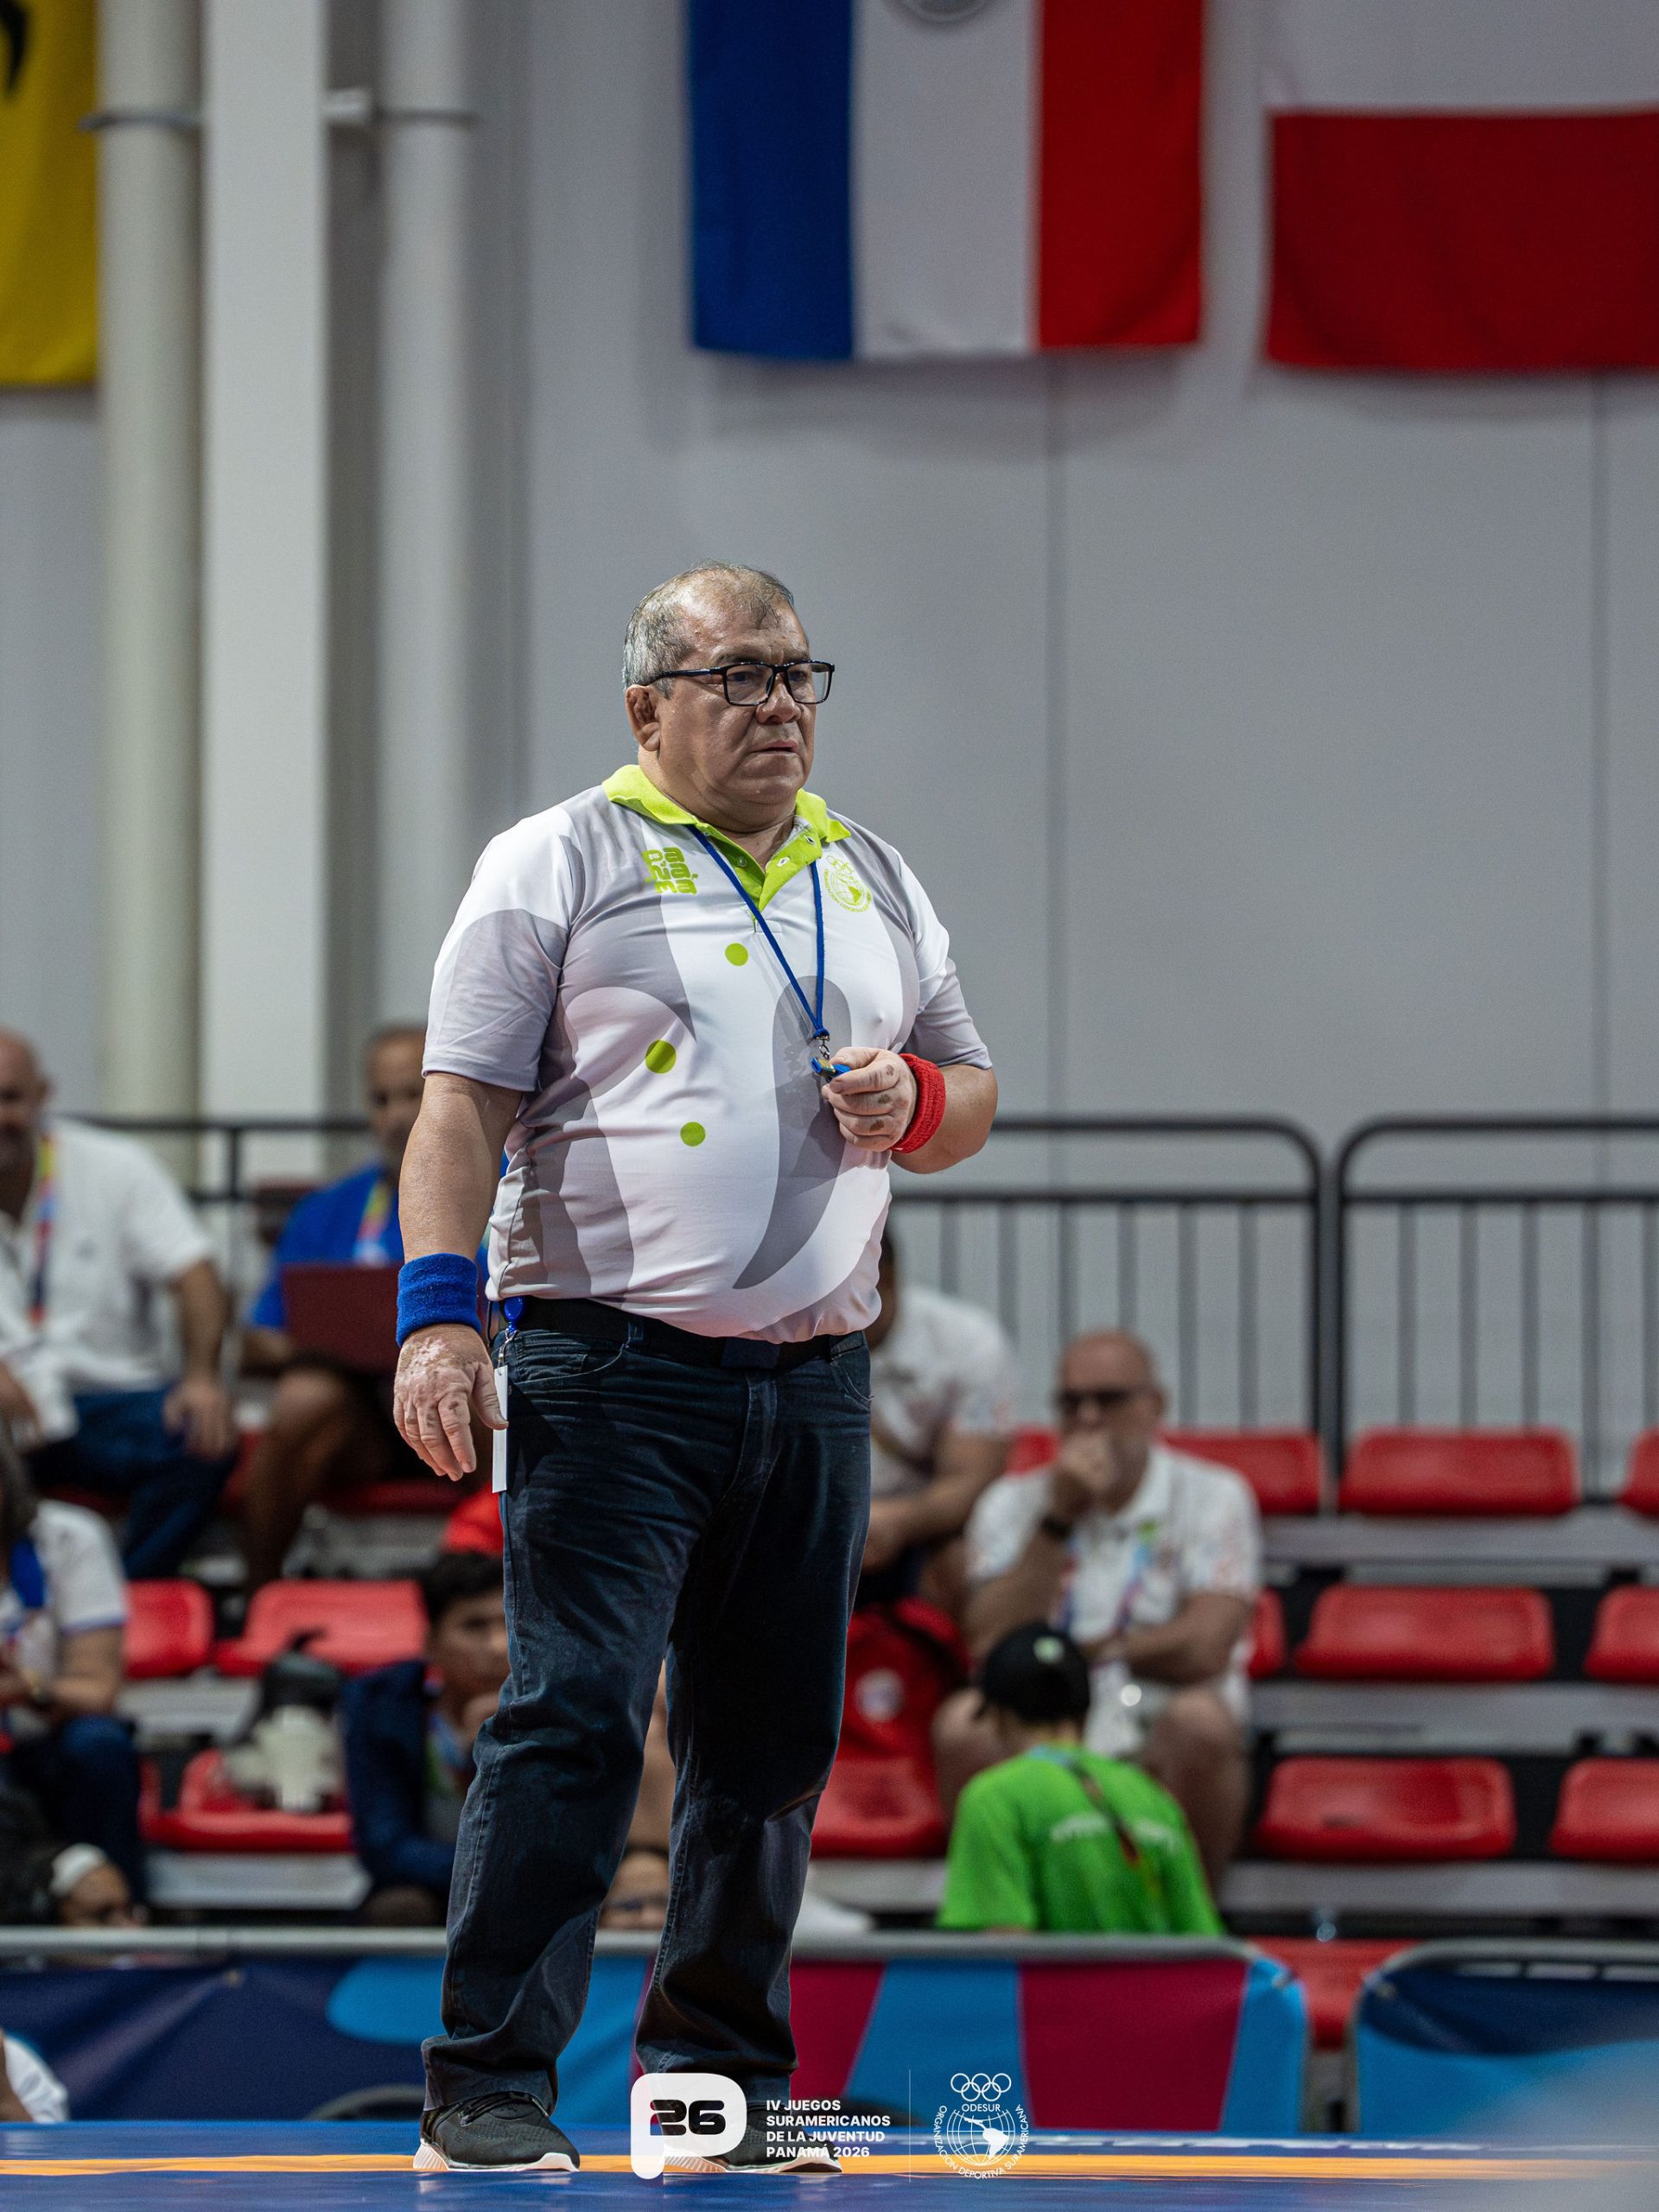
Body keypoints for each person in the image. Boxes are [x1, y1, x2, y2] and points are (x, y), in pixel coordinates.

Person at [393, 561, 995, 2174]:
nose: (782, 705)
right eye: (741, 676)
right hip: (608, 1367)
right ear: (647, 704)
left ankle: (707, 2095)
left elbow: (975, 1087)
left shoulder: (871, 870)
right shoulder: (557, 859)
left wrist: (913, 1110)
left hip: (811, 1380)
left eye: (801, 674)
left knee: (772, 1747)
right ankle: (487, 2087)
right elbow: (458, 1110)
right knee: (579, 1717)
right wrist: (439, 1315)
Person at [939, 1330, 1260, 1891]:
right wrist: (1058, 1519)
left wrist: (1085, 1653)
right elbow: (989, 1643)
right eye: (1070, 1403)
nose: (1088, 1419)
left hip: (1154, 1700)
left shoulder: (1215, 1495)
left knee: (1203, 1724)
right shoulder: (1013, 1502)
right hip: (1040, 1709)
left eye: (1109, 1400)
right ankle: (1003, 1919)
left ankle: (1189, 1923)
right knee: (963, 1725)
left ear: (1153, 1406)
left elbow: (1204, 1646)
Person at [0, 1030, 236, 1578]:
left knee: (200, 1441)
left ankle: (125, 1603)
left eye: (9, 1097)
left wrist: (201, 1378)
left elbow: (197, 1275)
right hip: (6, 1412)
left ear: (41, 1097)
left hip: (106, 1400)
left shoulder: (113, 1167)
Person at [239, 1024, 448, 1586]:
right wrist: (326, 1341)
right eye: (381, 1100)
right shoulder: (328, 1209)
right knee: (304, 1399)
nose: (398, 1116)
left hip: (466, 1407)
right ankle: (258, 1597)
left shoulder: (509, 1185)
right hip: (366, 1422)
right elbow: (258, 1338)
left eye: (414, 1094)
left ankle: (516, 1608)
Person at [938, 1624, 1223, 1936]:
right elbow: (1201, 1942)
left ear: (998, 1716)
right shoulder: (1152, 1795)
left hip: (1052, 1987)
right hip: (1151, 1987)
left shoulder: (992, 1796)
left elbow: (1004, 1942)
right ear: (1085, 1715)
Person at [0, 1427, 142, 1896]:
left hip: (49, 1738)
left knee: (99, 1747)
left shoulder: (69, 1536)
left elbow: (98, 1690)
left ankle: (119, 1914)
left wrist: (28, 1687)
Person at [340, 1552, 510, 1926]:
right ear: (431, 1642)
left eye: (509, 1624)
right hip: (433, 1882)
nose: (498, 1647)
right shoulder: (382, 1703)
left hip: (537, 1888)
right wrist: (494, 1873)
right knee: (401, 1908)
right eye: (474, 1626)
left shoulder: (561, 1703)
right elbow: (383, 1845)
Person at [861, 1227, 1015, 1610]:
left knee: (964, 1565)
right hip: (810, 1521)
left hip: (922, 1527)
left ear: (886, 1278)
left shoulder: (968, 1341)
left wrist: (891, 1522)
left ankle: (965, 1669)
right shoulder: (781, 1328)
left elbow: (970, 1481)